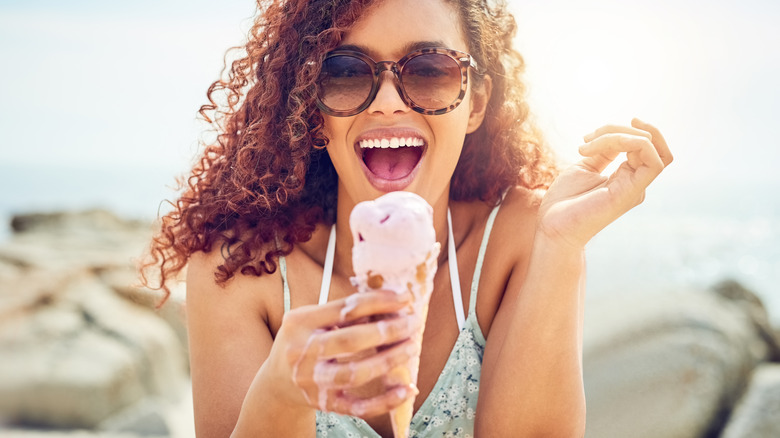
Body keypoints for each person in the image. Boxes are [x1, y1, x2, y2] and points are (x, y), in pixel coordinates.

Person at [142, 0, 672, 436]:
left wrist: (560, 246)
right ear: (312, 108)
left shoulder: (523, 239)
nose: (389, 102)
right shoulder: (238, 271)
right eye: (346, 73)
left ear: (477, 102)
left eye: (429, 70)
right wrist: (283, 394)